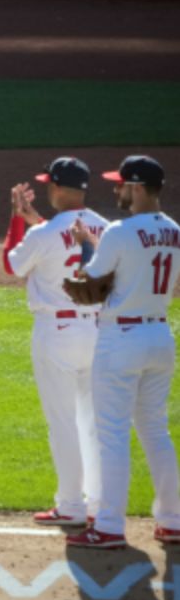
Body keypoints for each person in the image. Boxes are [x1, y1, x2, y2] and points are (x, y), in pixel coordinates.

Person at [66, 155, 180, 549]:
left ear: (135, 187)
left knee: (112, 433)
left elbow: (90, 278)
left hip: (121, 340)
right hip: (161, 337)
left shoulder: (119, 230)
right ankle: (173, 520)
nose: (116, 190)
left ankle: (110, 526)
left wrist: (86, 248)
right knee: (155, 430)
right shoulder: (175, 232)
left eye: (120, 184)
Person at [2, 157, 107, 526]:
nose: (47, 189)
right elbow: (73, 243)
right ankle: (97, 504)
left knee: (63, 422)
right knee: (92, 422)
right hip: (97, 332)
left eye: (50, 184)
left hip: (57, 334)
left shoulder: (42, 234)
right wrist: (36, 222)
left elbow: (11, 265)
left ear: (59, 189)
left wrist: (18, 218)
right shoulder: (105, 228)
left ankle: (70, 505)